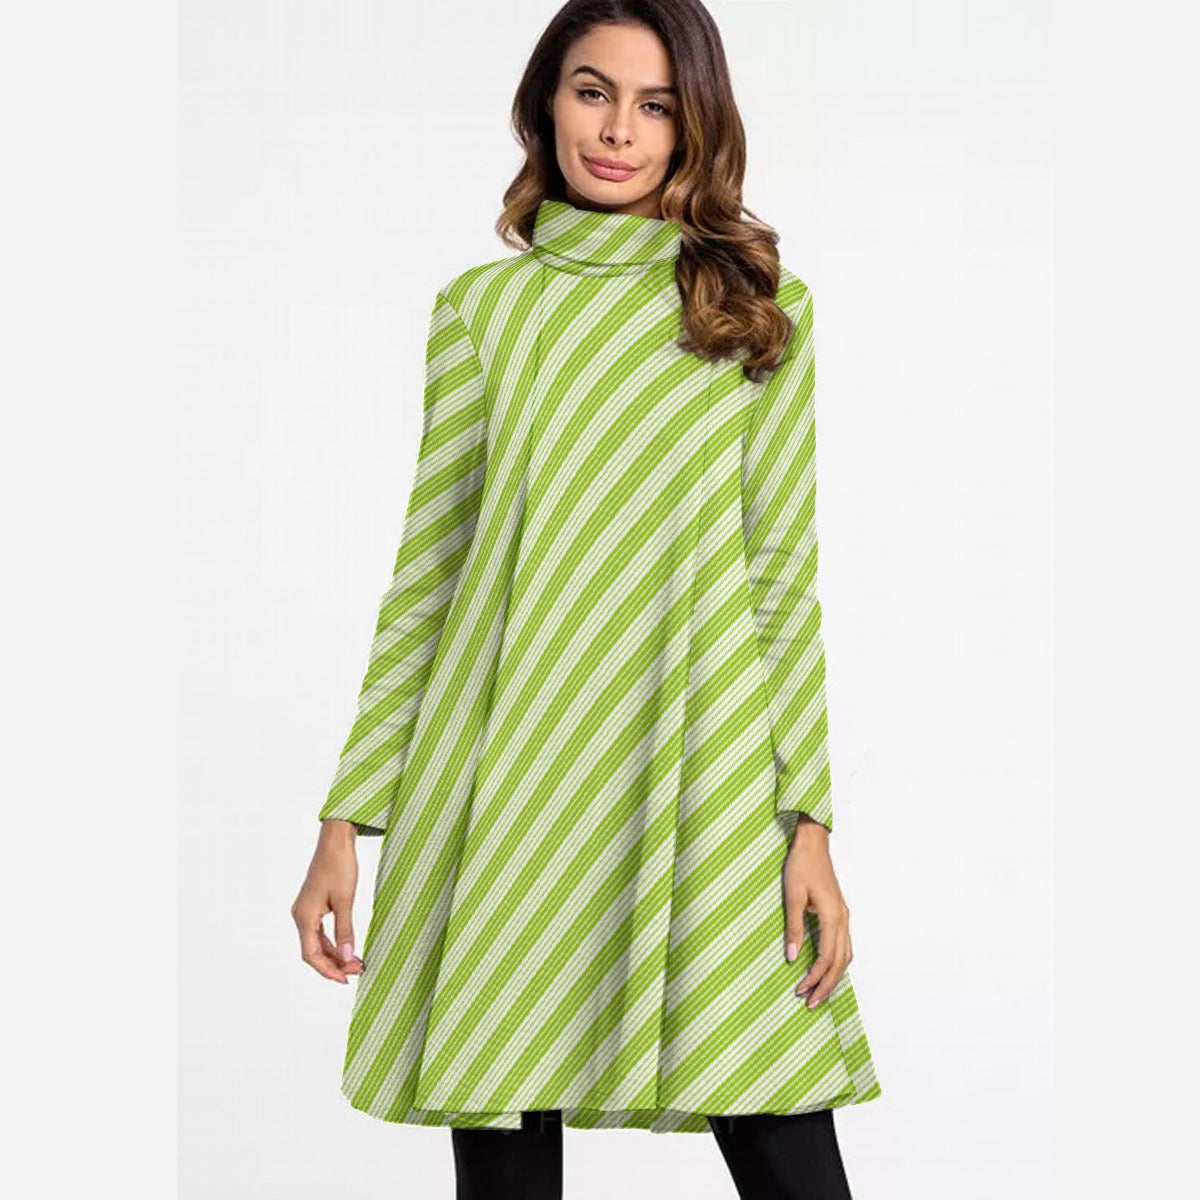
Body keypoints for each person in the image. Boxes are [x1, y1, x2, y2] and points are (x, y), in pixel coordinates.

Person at [292, 1, 882, 1196]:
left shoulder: (755, 311)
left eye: (656, 104)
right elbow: (432, 572)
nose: (618, 131)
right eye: (592, 91)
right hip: (503, 772)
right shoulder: (484, 312)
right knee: (505, 1128)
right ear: (545, 103)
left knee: (779, 1121)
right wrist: (346, 818)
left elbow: (781, 574)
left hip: (700, 761)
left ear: (694, 124)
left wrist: (809, 821)